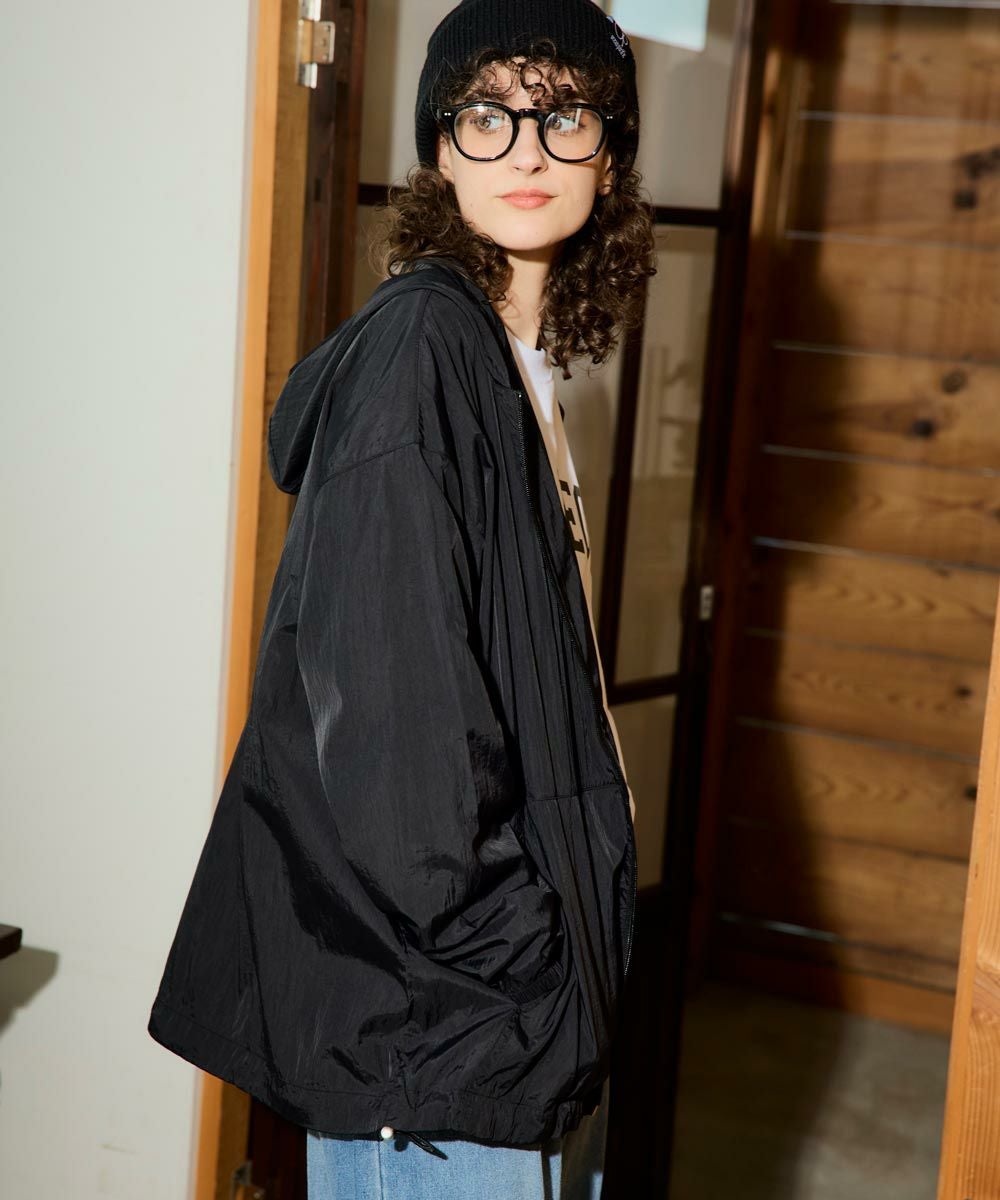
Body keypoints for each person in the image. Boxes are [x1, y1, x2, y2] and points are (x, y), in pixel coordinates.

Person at [147, 2, 655, 1197]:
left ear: (610, 154)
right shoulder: (423, 352)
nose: (526, 148)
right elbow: (393, 724)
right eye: (488, 114)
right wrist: (516, 960)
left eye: (564, 115)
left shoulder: (513, 365)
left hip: (498, 1025)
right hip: (448, 1035)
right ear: (440, 149)